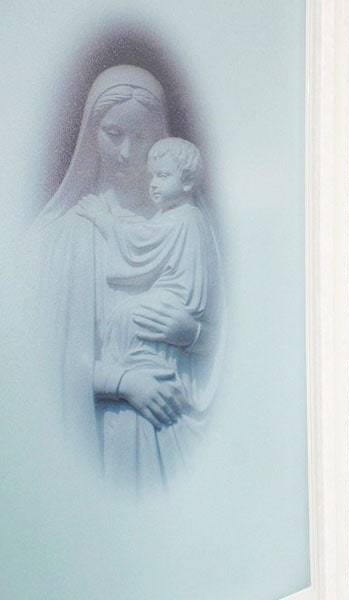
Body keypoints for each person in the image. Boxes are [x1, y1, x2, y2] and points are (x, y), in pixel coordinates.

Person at [27, 65, 219, 486]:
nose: (128, 153)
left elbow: (232, 346)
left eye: (143, 137)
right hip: (108, 443)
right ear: (90, 135)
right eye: (114, 134)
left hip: (178, 434)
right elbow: (37, 365)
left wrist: (192, 335)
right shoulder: (61, 236)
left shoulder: (191, 224)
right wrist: (124, 382)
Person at [74, 137, 220, 488]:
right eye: (152, 175)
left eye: (163, 175)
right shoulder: (176, 218)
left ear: (186, 182)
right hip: (143, 356)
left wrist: (103, 218)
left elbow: (136, 244)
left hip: (161, 336)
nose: (153, 183)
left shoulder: (185, 219)